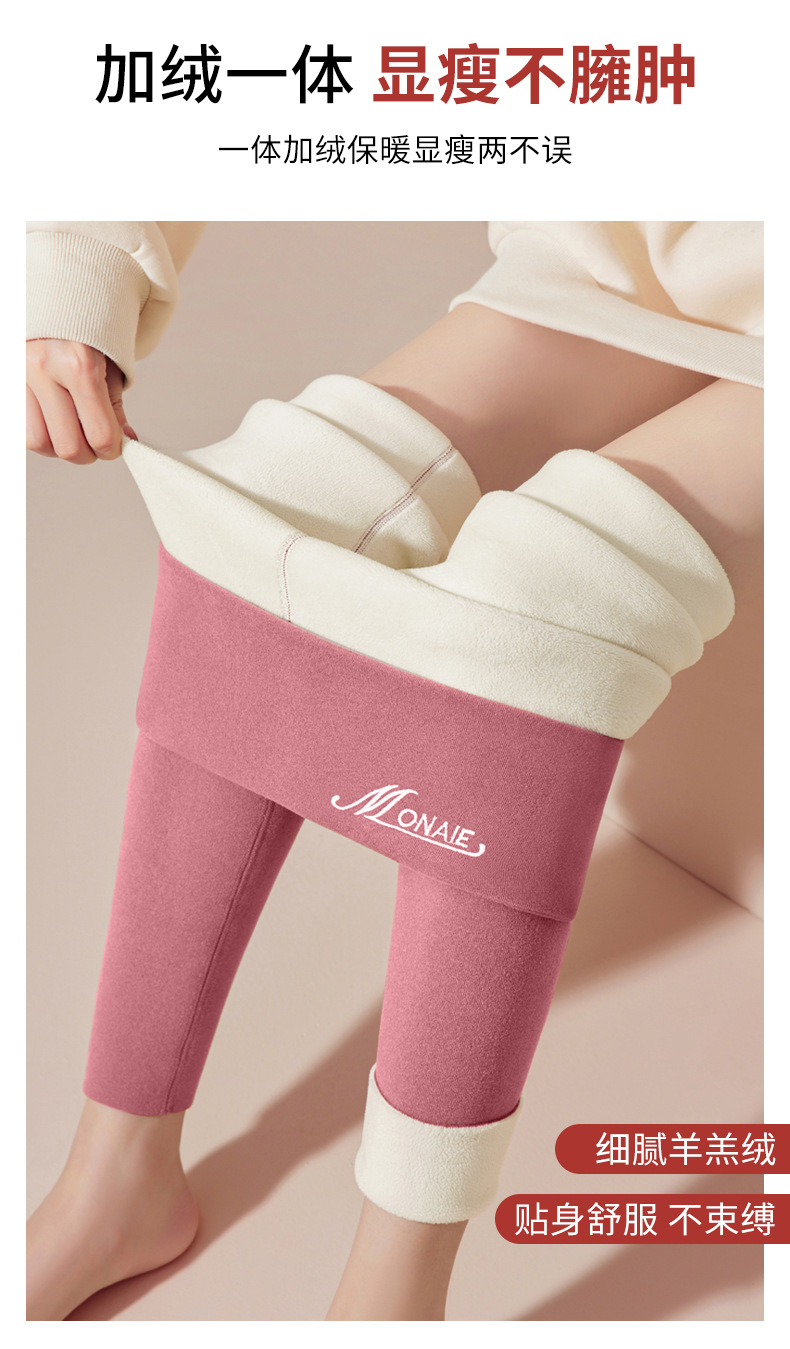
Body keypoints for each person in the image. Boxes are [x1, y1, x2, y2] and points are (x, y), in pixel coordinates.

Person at [26, 221, 763, 1321]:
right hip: (619, 266)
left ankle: (395, 1296)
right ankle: (114, 1172)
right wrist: (79, 265)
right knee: (260, 505)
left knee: (538, 606)